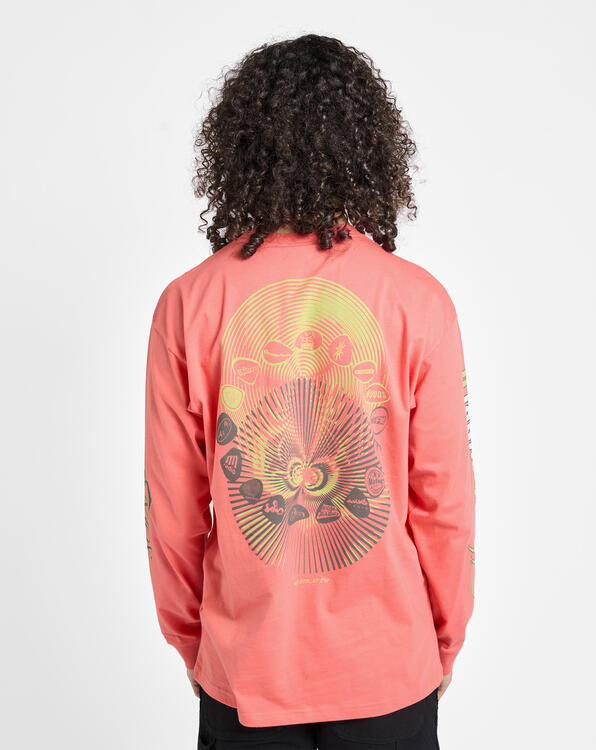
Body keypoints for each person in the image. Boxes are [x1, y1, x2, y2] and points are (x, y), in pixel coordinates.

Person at [144, 34, 476, 750]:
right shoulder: (418, 301)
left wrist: (194, 644)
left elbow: (171, 512)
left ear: (239, 147)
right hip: (390, 669)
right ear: (370, 146)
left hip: (245, 673)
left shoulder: (187, 305)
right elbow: (445, 503)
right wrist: (444, 638)